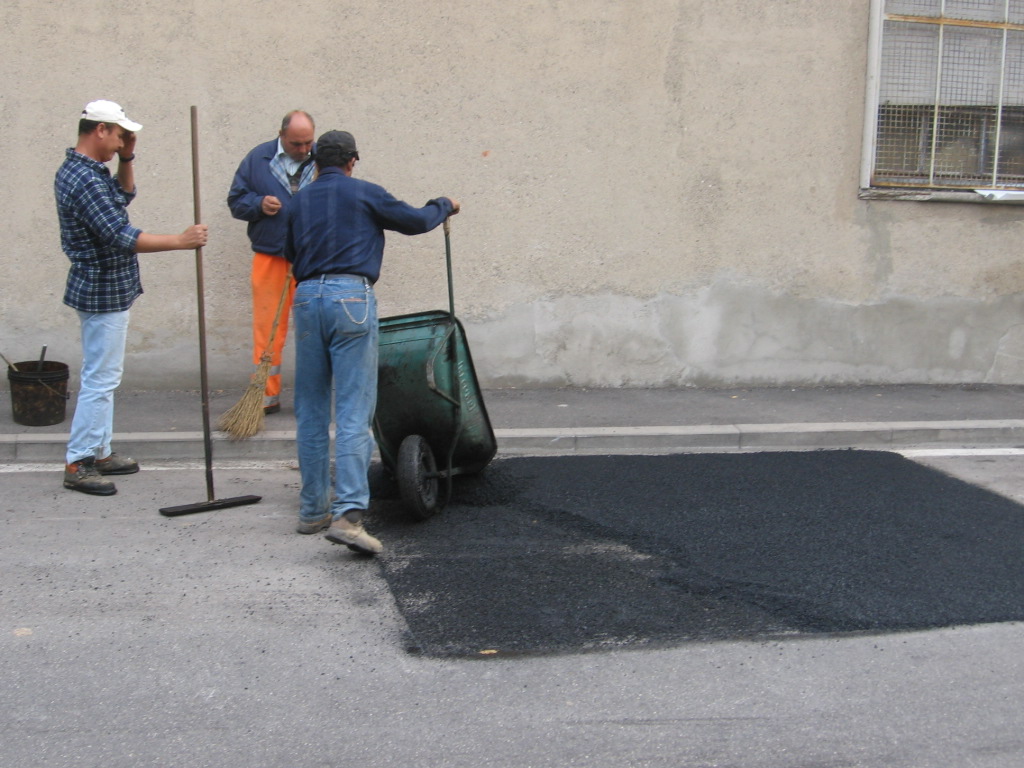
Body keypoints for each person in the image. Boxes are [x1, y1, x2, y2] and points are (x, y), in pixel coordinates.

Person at [284, 130, 459, 554]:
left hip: (305, 298)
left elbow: (289, 252)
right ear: (352, 161)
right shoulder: (365, 192)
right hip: (351, 298)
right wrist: (443, 205)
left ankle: (312, 510)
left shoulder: (299, 201)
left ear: (316, 163)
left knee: (310, 409)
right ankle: (348, 516)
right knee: (352, 411)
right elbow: (415, 221)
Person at [55, 100, 209, 496]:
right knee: (100, 378)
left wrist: (127, 158)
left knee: (104, 375)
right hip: (102, 290)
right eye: (120, 135)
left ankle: (100, 451)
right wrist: (180, 241)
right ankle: (79, 461)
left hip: (106, 288)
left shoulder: (89, 170)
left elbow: (123, 197)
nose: (123, 141)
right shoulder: (84, 179)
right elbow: (119, 235)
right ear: (100, 129)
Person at [227, 110, 316, 415]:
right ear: (281, 136)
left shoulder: (323, 159)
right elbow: (236, 202)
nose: (304, 149)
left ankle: (311, 399)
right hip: (270, 256)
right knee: (267, 331)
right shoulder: (257, 159)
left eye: (308, 142)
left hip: (312, 258)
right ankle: (266, 397)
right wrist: (258, 204)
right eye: (296, 144)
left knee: (313, 330)